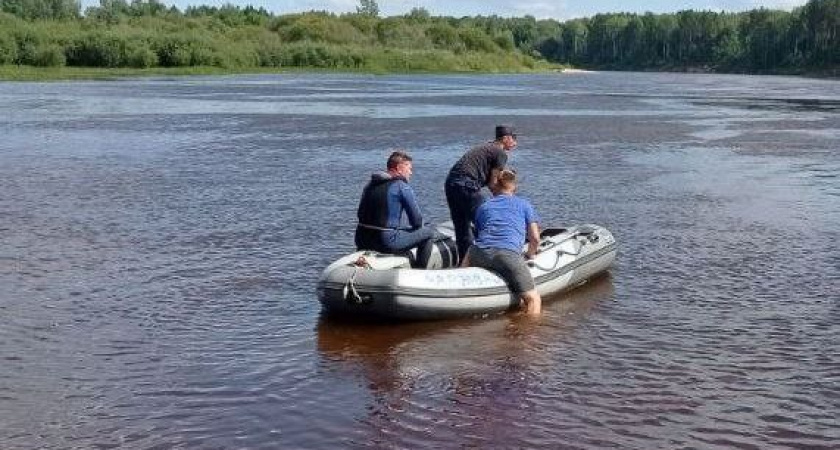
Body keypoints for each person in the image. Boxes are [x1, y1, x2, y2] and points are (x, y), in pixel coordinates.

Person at [461, 167, 542, 315]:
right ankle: (529, 333)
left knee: (470, 250)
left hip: (480, 253)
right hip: (507, 254)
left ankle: (459, 287)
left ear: (495, 186)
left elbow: (479, 234)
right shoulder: (524, 205)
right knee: (533, 299)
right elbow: (535, 238)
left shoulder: (483, 207)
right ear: (514, 186)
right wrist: (530, 255)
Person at [444, 125, 517, 263]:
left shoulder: (487, 147)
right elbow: (493, 184)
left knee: (462, 227)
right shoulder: (500, 153)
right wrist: (507, 202)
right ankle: (495, 259)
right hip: (467, 185)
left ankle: (464, 262)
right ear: (505, 138)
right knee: (487, 222)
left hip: (451, 183)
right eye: (513, 139)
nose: (515, 143)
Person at [355, 150, 436, 254]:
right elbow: (416, 221)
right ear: (399, 168)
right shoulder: (401, 187)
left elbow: (360, 214)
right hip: (385, 241)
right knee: (428, 233)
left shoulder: (369, 185)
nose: (410, 173)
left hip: (361, 239)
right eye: (409, 169)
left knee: (396, 230)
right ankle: (420, 268)